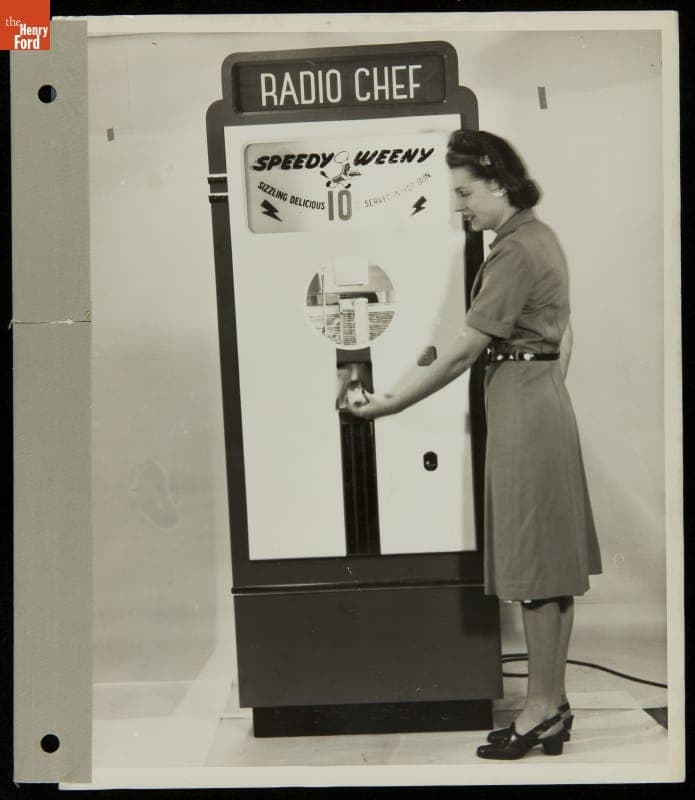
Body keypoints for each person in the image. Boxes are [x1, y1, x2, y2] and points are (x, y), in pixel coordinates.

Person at [347, 129, 602, 760]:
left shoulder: (515, 251)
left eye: (464, 193)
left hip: (523, 405)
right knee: (548, 567)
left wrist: (389, 403)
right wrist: (540, 389)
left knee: (536, 568)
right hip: (537, 399)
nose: (459, 207)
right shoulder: (538, 238)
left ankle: (540, 709)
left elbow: (464, 348)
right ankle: (551, 703)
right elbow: (564, 337)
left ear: (498, 181)